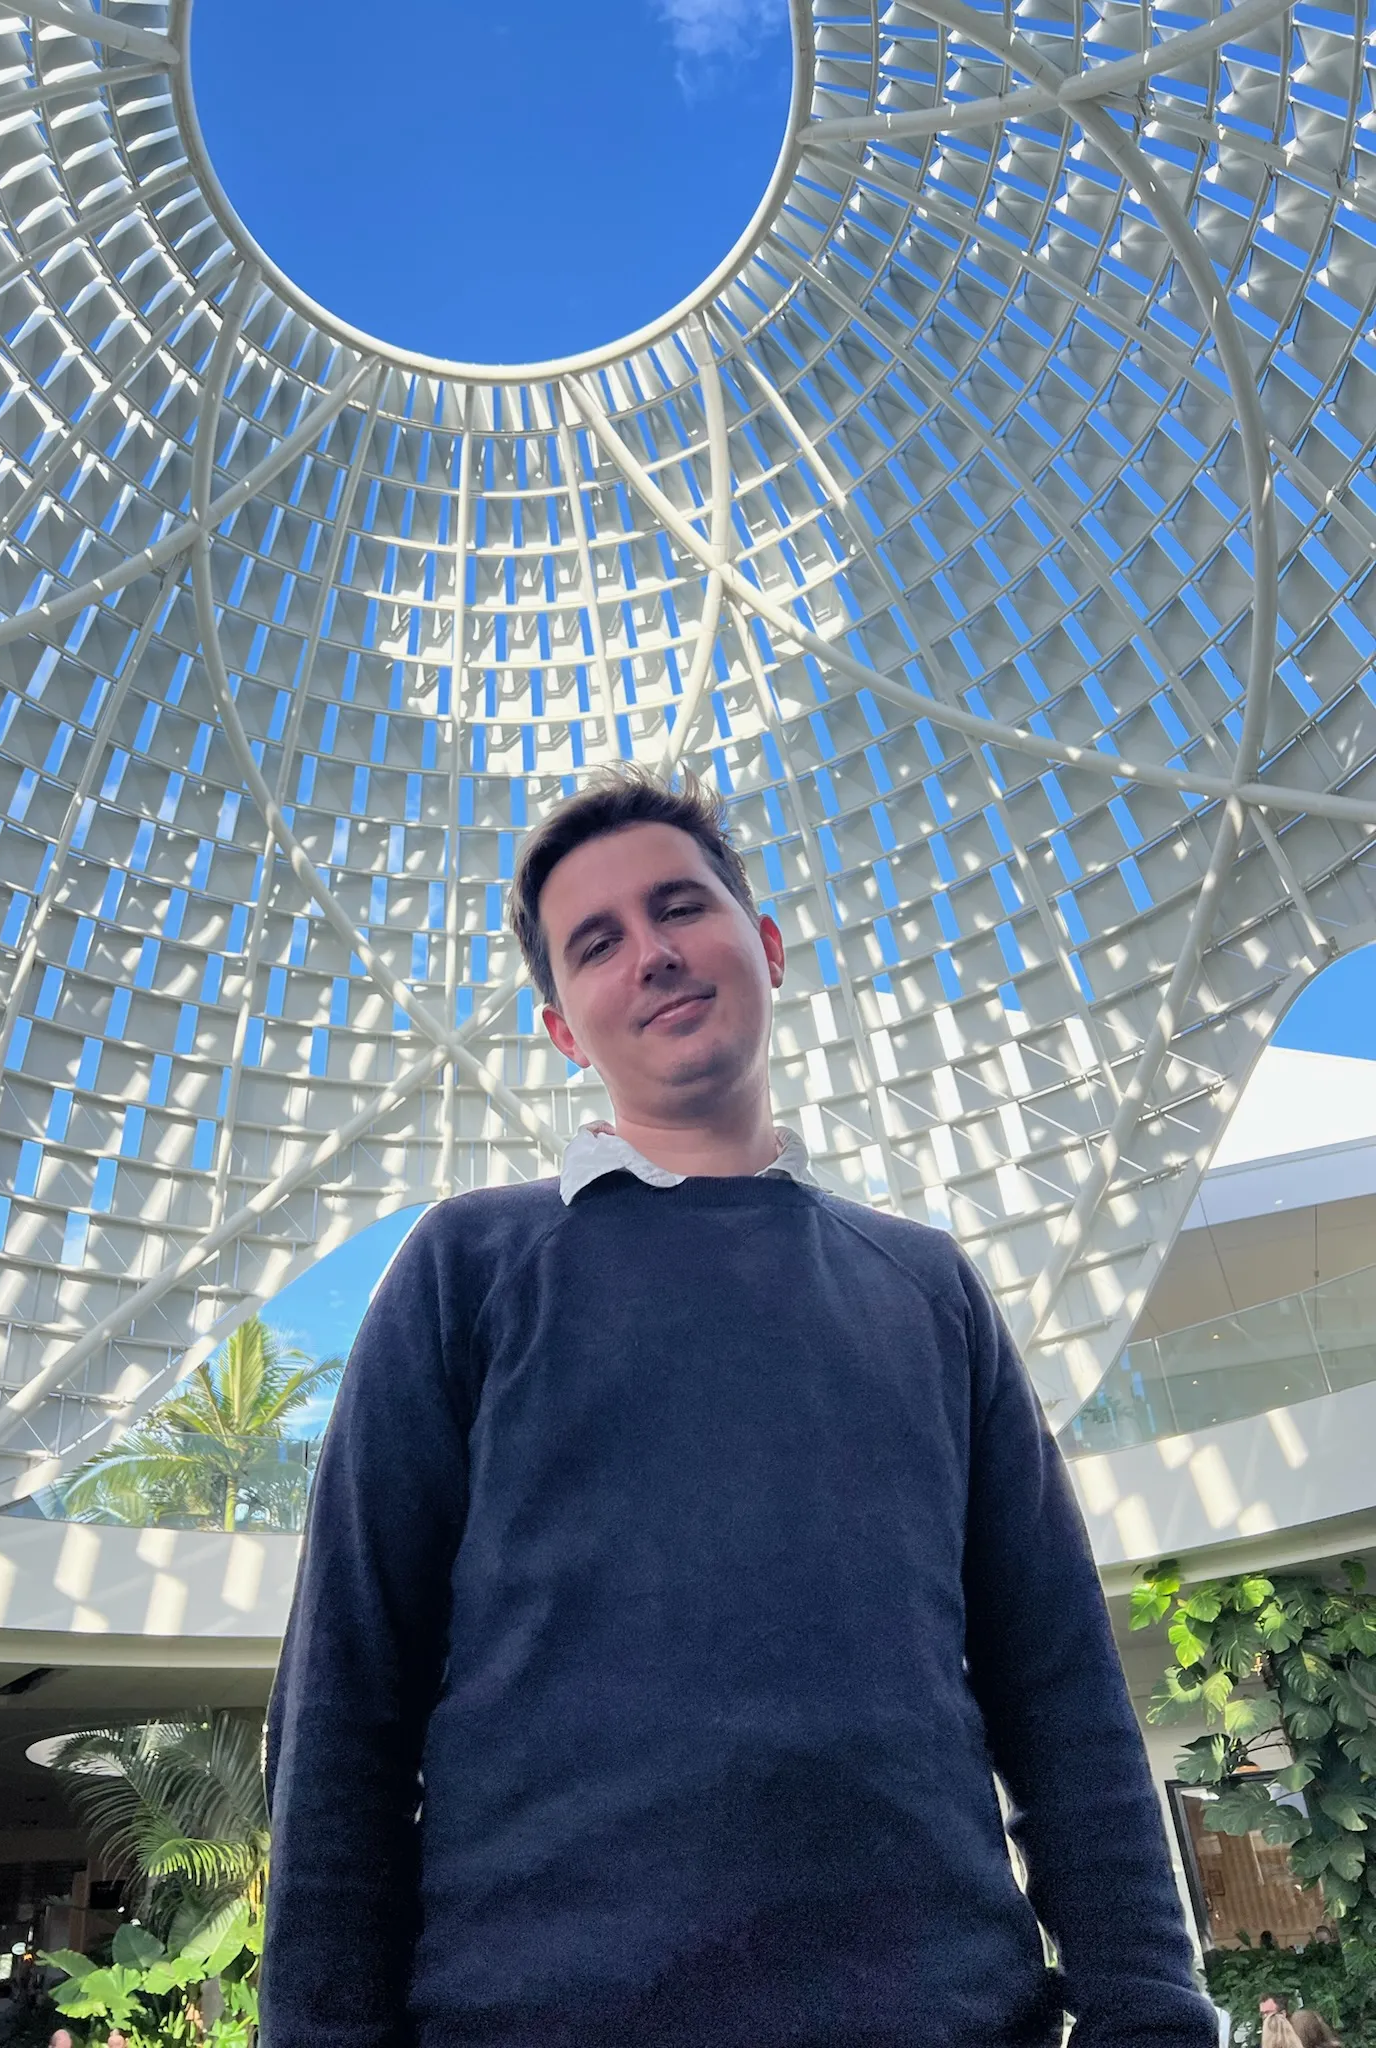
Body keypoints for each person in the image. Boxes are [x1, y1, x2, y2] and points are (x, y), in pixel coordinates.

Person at [261, 767, 1219, 2047]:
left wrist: (1151, 2012)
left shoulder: (927, 1287)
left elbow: (1062, 1690)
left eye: (679, 907)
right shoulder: (467, 1267)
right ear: (562, 1027)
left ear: (764, 945)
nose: (651, 953)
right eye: (597, 943)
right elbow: (345, 1696)